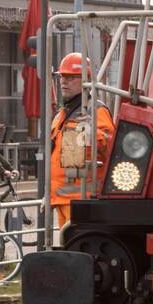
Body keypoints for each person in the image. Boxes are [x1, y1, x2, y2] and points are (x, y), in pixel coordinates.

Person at [49, 52, 114, 228]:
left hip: (83, 200)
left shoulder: (96, 110)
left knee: (78, 250)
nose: (63, 82)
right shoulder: (61, 115)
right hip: (61, 199)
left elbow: (109, 145)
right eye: (62, 76)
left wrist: (89, 133)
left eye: (70, 77)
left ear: (85, 81)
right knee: (67, 249)